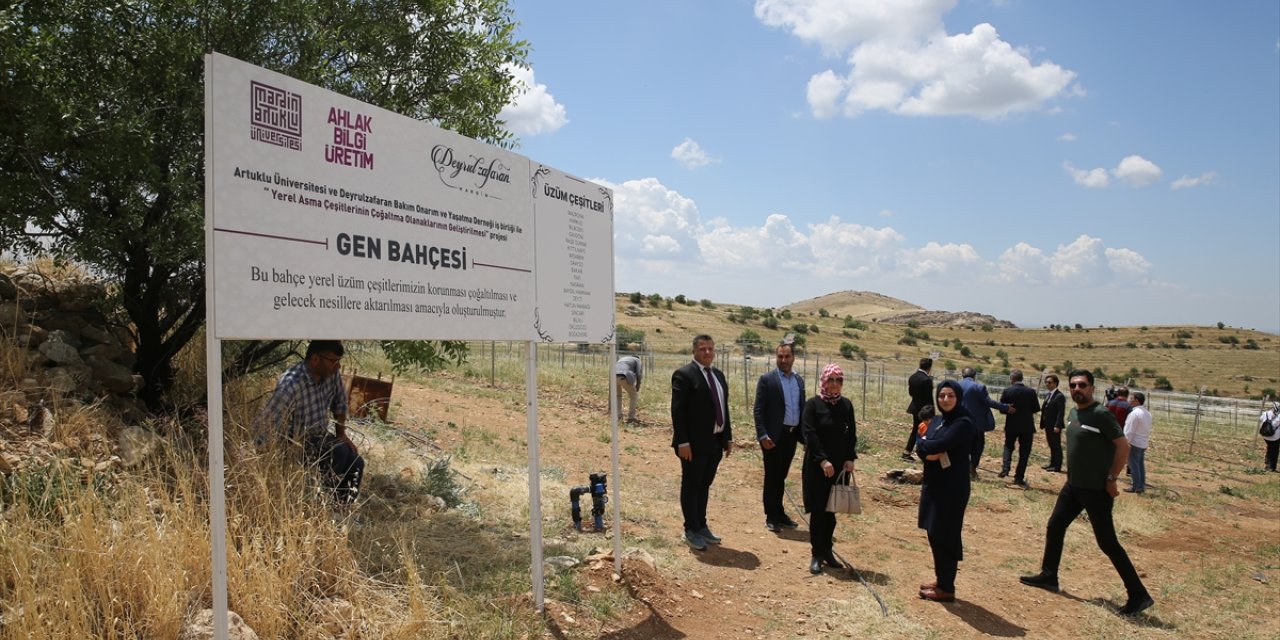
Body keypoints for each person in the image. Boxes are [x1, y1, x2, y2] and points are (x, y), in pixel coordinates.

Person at [1020, 369, 1155, 617]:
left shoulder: (1101, 414)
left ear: (1092, 388)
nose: (1077, 389)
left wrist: (1112, 479)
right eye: (1073, 385)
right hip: (1073, 487)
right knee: (1055, 526)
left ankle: (1138, 594)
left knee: (1108, 543)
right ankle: (1049, 576)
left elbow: (1123, 446)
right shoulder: (1074, 412)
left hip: (1096, 490)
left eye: (1082, 385)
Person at [254, 340, 364, 504]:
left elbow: (340, 403)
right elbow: (266, 426)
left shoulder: (330, 374)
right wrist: (266, 463)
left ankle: (341, 507)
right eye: (333, 361)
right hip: (295, 443)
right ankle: (320, 505)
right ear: (315, 359)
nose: (338, 366)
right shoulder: (290, 385)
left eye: (339, 361)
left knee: (356, 461)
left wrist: (341, 434)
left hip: (320, 437)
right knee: (339, 452)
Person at [915, 380, 977, 603]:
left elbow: (933, 446)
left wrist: (928, 446)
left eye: (950, 395)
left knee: (946, 536)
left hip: (952, 489)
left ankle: (947, 587)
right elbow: (922, 445)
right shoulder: (940, 421)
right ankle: (941, 580)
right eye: (942, 396)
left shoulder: (963, 423)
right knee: (934, 533)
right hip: (934, 485)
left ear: (958, 397)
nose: (946, 400)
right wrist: (927, 447)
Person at [671, 334, 733, 551]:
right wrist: (682, 442)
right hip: (693, 445)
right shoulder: (684, 375)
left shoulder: (718, 375)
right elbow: (678, 412)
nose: (707, 353)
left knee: (704, 484)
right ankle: (691, 529)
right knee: (691, 485)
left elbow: (724, 408)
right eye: (702, 349)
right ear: (694, 351)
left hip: (715, 442)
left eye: (710, 349)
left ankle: (702, 525)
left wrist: (728, 437)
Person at [801, 364, 858, 574]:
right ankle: (816, 553)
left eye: (839, 380)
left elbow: (851, 433)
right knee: (818, 511)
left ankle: (827, 551)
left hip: (840, 468)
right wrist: (823, 460)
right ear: (824, 381)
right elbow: (810, 434)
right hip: (818, 467)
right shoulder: (813, 405)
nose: (835, 384)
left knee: (831, 511)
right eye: (831, 379)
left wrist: (851, 457)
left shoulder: (846, 405)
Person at [754, 342, 806, 532]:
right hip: (773, 437)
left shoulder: (798, 381)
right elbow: (758, 410)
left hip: (791, 436)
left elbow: (802, 408)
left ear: (793, 358)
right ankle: (771, 515)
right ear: (776, 358)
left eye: (787, 356)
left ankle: (780, 512)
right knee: (772, 476)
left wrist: (805, 436)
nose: (783, 360)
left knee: (781, 476)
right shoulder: (767, 380)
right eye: (780, 357)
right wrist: (762, 434)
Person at [958, 367, 1009, 480]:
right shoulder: (978, 387)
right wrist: (1006, 407)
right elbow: (989, 402)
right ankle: (972, 467)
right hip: (976, 423)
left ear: (962, 375)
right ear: (974, 375)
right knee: (978, 446)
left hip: (959, 421)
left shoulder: (955, 386)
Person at [998, 369, 1040, 487]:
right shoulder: (1031, 392)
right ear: (1022, 378)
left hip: (1011, 425)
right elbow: (1036, 409)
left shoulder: (1007, 391)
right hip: (1027, 426)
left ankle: (1005, 469)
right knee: (1024, 452)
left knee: (1008, 446)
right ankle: (1019, 477)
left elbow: (1002, 409)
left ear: (1011, 379)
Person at [902, 358, 934, 462]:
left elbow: (911, 393)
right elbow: (929, 397)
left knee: (916, 429)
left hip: (915, 407)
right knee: (926, 431)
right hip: (924, 410)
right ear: (929, 368)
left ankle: (907, 452)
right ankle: (924, 454)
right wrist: (931, 411)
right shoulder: (927, 380)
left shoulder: (913, 377)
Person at [1122, 392, 1153, 493]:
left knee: (1134, 466)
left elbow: (1129, 431)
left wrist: (1125, 444)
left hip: (1134, 443)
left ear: (1136, 400)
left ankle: (1136, 487)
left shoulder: (1134, 414)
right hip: (1143, 442)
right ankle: (1141, 485)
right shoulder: (1147, 413)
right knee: (1140, 465)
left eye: (1131, 398)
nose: (1129, 400)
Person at [1040, 374, 1067, 472]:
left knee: (1056, 445)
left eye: (1049, 382)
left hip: (1054, 425)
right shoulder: (1049, 395)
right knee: (1051, 444)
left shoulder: (1059, 396)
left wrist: (1057, 425)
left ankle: (1057, 466)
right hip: (1048, 424)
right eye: (1046, 382)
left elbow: (1061, 412)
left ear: (1055, 383)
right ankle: (1052, 463)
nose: (1047, 384)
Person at [614, 354, 643, 423]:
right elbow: (639, 373)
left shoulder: (623, 358)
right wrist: (638, 385)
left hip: (614, 376)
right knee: (634, 396)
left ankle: (618, 416)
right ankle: (631, 417)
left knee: (618, 396)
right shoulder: (638, 360)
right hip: (624, 375)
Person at [1260, 401, 1280, 472]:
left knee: (1270, 448)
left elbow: (1261, 419)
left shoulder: (1266, 413)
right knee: (1274, 452)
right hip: (1275, 437)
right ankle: (1271, 467)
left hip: (1265, 435)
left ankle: (1267, 464)